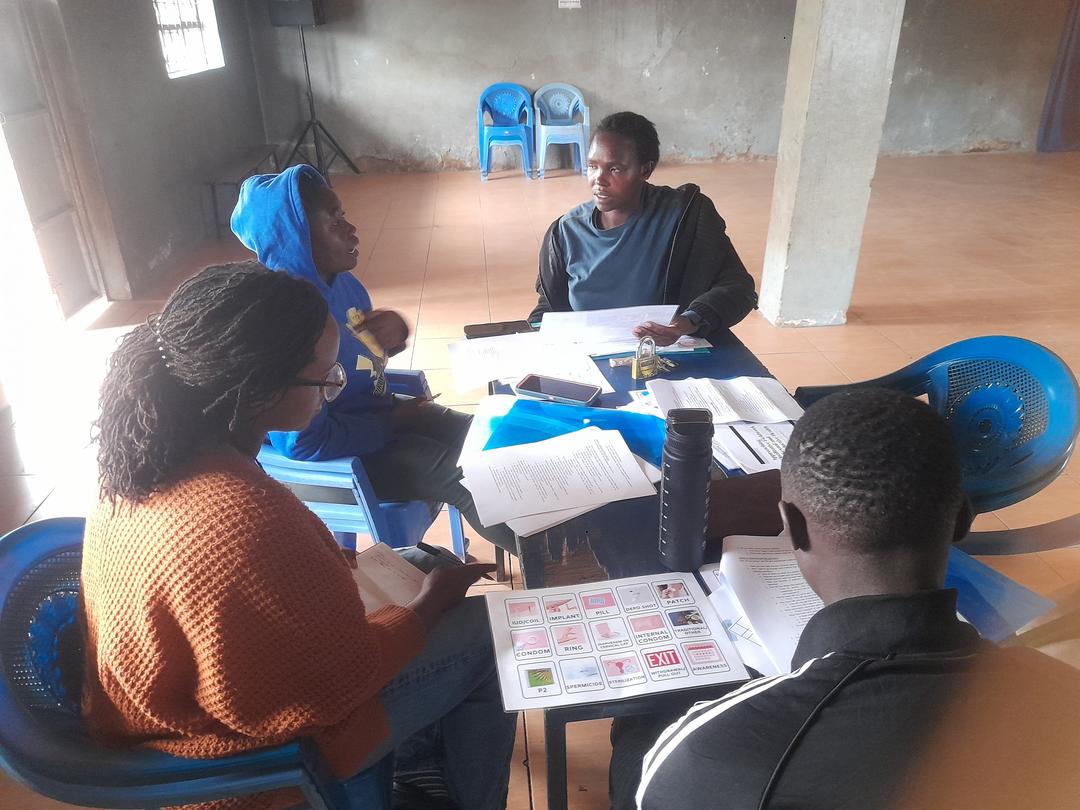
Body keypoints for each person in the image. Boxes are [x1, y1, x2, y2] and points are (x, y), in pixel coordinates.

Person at [82, 263, 516, 810]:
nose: (334, 390)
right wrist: (425, 610)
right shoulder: (242, 514)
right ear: (260, 390)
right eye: (327, 379)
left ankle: (422, 771)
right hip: (240, 756)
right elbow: (330, 690)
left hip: (175, 703)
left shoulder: (148, 455)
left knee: (423, 559)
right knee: (487, 631)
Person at [614, 388, 1080, 809]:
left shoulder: (712, 751)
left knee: (634, 728)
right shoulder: (1062, 694)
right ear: (961, 520)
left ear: (792, 528)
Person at [230, 166, 517, 555]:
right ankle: (547, 560)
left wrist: (391, 337)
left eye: (343, 214)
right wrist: (390, 423)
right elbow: (304, 444)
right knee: (462, 477)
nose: (351, 229)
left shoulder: (345, 287)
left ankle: (549, 513)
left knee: (486, 432)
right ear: (296, 239)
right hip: (338, 458)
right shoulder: (286, 323)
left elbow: (358, 362)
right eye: (333, 221)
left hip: (371, 416)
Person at [529, 111, 757, 345]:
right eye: (592, 166)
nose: (599, 179)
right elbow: (549, 305)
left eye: (615, 169)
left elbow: (739, 288)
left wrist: (685, 323)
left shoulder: (685, 216)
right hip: (590, 358)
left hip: (665, 355)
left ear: (645, 171)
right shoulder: (565, 233)